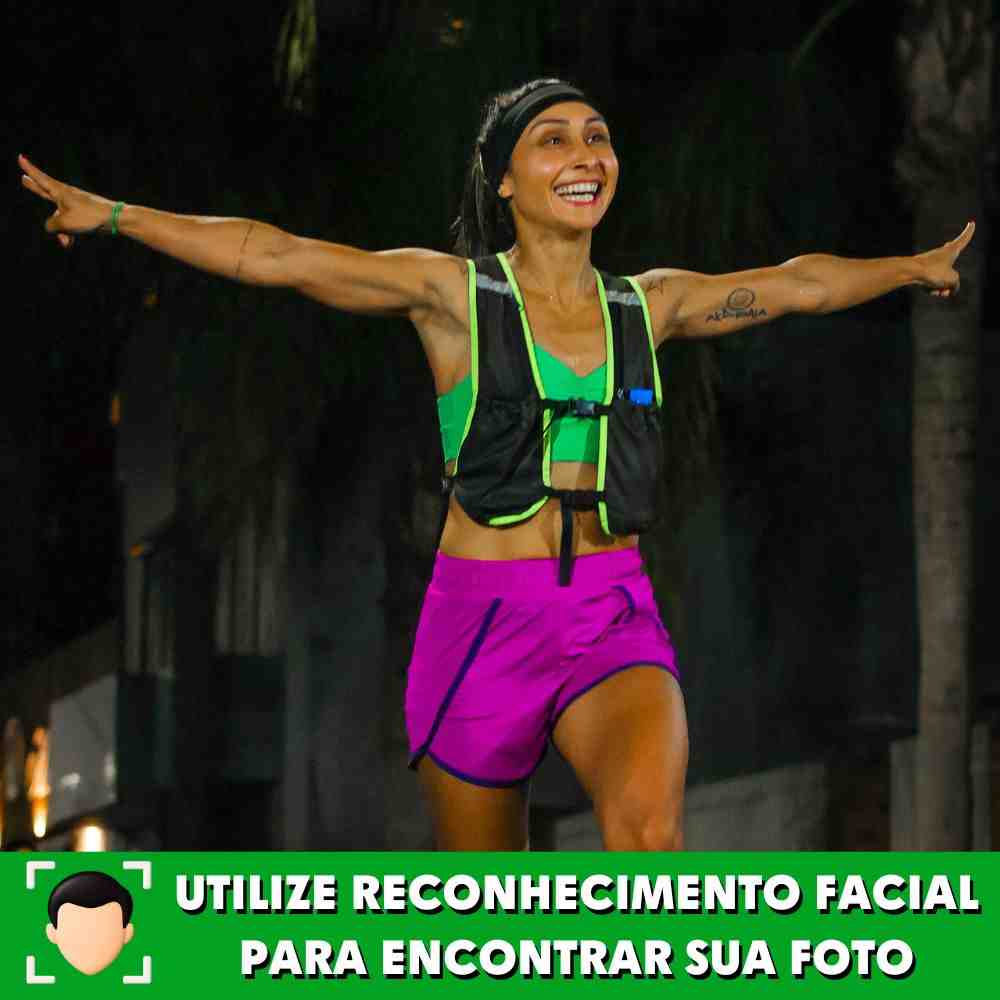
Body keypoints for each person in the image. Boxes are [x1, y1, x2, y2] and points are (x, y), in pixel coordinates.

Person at [19, 78, 974, 852]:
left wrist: (909, 267)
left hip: (610, 616)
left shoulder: (651, 305)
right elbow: (275, 255)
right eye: (553, 140)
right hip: (477, 630)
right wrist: (117, 216)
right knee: (491, 912)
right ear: (506, 180)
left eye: (597, 138)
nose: (585, 155)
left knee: (650, 841)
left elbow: (796, 284)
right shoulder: (452, 297)